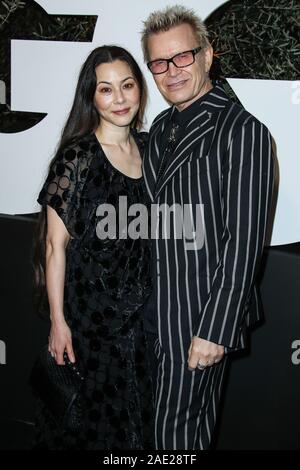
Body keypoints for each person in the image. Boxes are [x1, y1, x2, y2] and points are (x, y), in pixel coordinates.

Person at [141, 5, 274, 450]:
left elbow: (245, 243)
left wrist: (216, 328)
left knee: (175, 440)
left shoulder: (242, 131)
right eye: (159, 62)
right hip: (148, 316)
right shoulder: (160, 128)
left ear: (207, 54)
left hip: (196, 319)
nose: (171, 71)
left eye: (183, 57)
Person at [33, 45, 153, 450]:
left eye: (127, 86)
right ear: (92, 96)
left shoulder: (151, 150)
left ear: (140, 90)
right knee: (92, 431)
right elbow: (54, 246)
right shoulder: (77, 158)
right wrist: (58, 321)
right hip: (90, 326)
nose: (119, 99)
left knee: (136, 430)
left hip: (141, 324)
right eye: (106, 89)